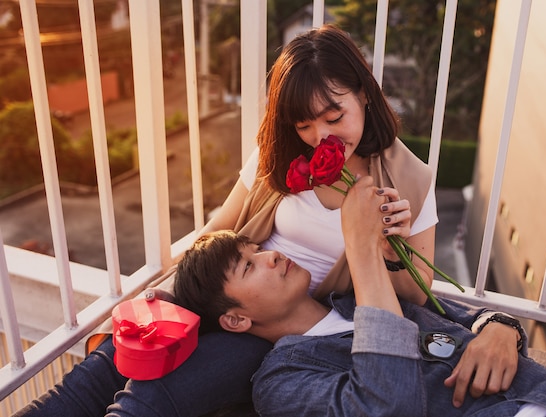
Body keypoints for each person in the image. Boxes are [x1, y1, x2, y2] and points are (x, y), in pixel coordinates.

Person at [14, 24, 519, 416]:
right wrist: (172, 283)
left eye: (333, 116)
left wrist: (391, 248)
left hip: (281, 323)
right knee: (106, 364)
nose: (321, 136)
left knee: (153, 392)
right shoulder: (278, 156)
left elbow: (419, 295)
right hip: (230, 276)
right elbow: (222, 225)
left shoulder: (410, 179)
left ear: (364, 93)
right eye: (305, 124)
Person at [174, 176, 546, 417]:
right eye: (249, 265)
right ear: (235, 320)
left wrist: (500, 328)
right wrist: (362, 252)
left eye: (260, 248)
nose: (271, 256)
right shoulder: (281, 383)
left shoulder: (349, 301)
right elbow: (387, 408)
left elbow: (461, 314)